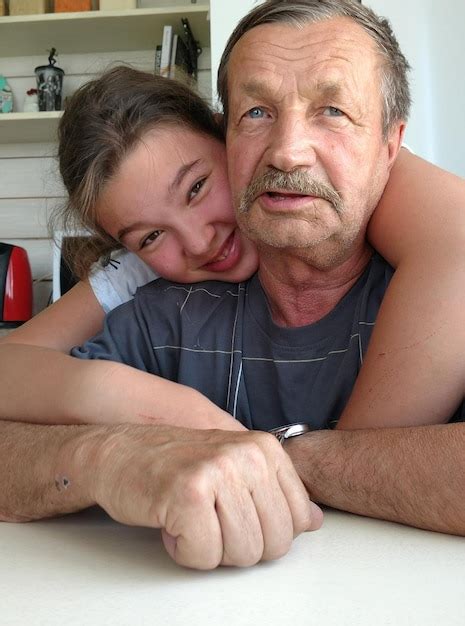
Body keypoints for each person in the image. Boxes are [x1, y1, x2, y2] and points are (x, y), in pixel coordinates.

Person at [1, 0, 465, 569]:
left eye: (196, 188)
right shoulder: (156, 307)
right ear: (235, 133)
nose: (198, 242)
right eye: (149, 237)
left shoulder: (423, 256)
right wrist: (110, 442)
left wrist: (290, 459)